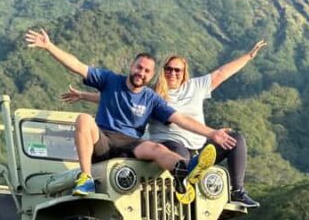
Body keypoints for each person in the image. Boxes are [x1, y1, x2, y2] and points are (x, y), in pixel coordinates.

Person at [24, 29, 236, 198]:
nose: (141, 73)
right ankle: (85, 178)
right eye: (139, 67)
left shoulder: (151, 98)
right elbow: (78, 66)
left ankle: (185, 170)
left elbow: (180, 119)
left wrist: (212, 133)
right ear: (131, 66)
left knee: (156, 148)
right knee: (84, 119)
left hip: (131, 143)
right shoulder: (110, 80)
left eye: (146, 71)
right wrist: (49, 46)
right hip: (103, 139)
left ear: (152, 75)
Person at [63, 40, 266, 207]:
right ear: (160, 72)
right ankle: (182, 182)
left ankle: (234, 189)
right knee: (172, 151)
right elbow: (117, 98)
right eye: (168, 69)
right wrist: (83, 95)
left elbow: (220, 75)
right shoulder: (153, 93)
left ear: (184, 72)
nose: (173, 73)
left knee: (234, 139)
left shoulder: (193, 87)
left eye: (177, 70)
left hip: (188, 144)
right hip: (169, 142)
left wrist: (248, 56)